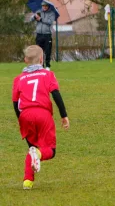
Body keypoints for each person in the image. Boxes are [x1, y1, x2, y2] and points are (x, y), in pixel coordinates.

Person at [12, 45, 69, 190]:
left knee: (32, 148)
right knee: (49, 150)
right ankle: (37, 154)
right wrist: (64, 115)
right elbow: (56, 94)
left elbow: (15, 102)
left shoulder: (18, 79)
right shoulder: (48, 75)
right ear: (42, 59)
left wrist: (21, 119)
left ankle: (27, 181)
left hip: (25, 115)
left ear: (25, 60)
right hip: (42, 114)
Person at [30, 1, 56, 70]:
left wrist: (41, 19)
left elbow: (50, 22)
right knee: (38, 51)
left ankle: (47, 66)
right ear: (42, 6)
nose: (44, 7)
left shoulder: (51, 13)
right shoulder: (38, 12)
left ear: (48, 6)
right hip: (39, 35)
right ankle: (40, 65)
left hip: (47, 35)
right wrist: (34, 17)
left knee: (47, 51)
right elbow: (31, 19)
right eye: (43, 6)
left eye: (46, 6)